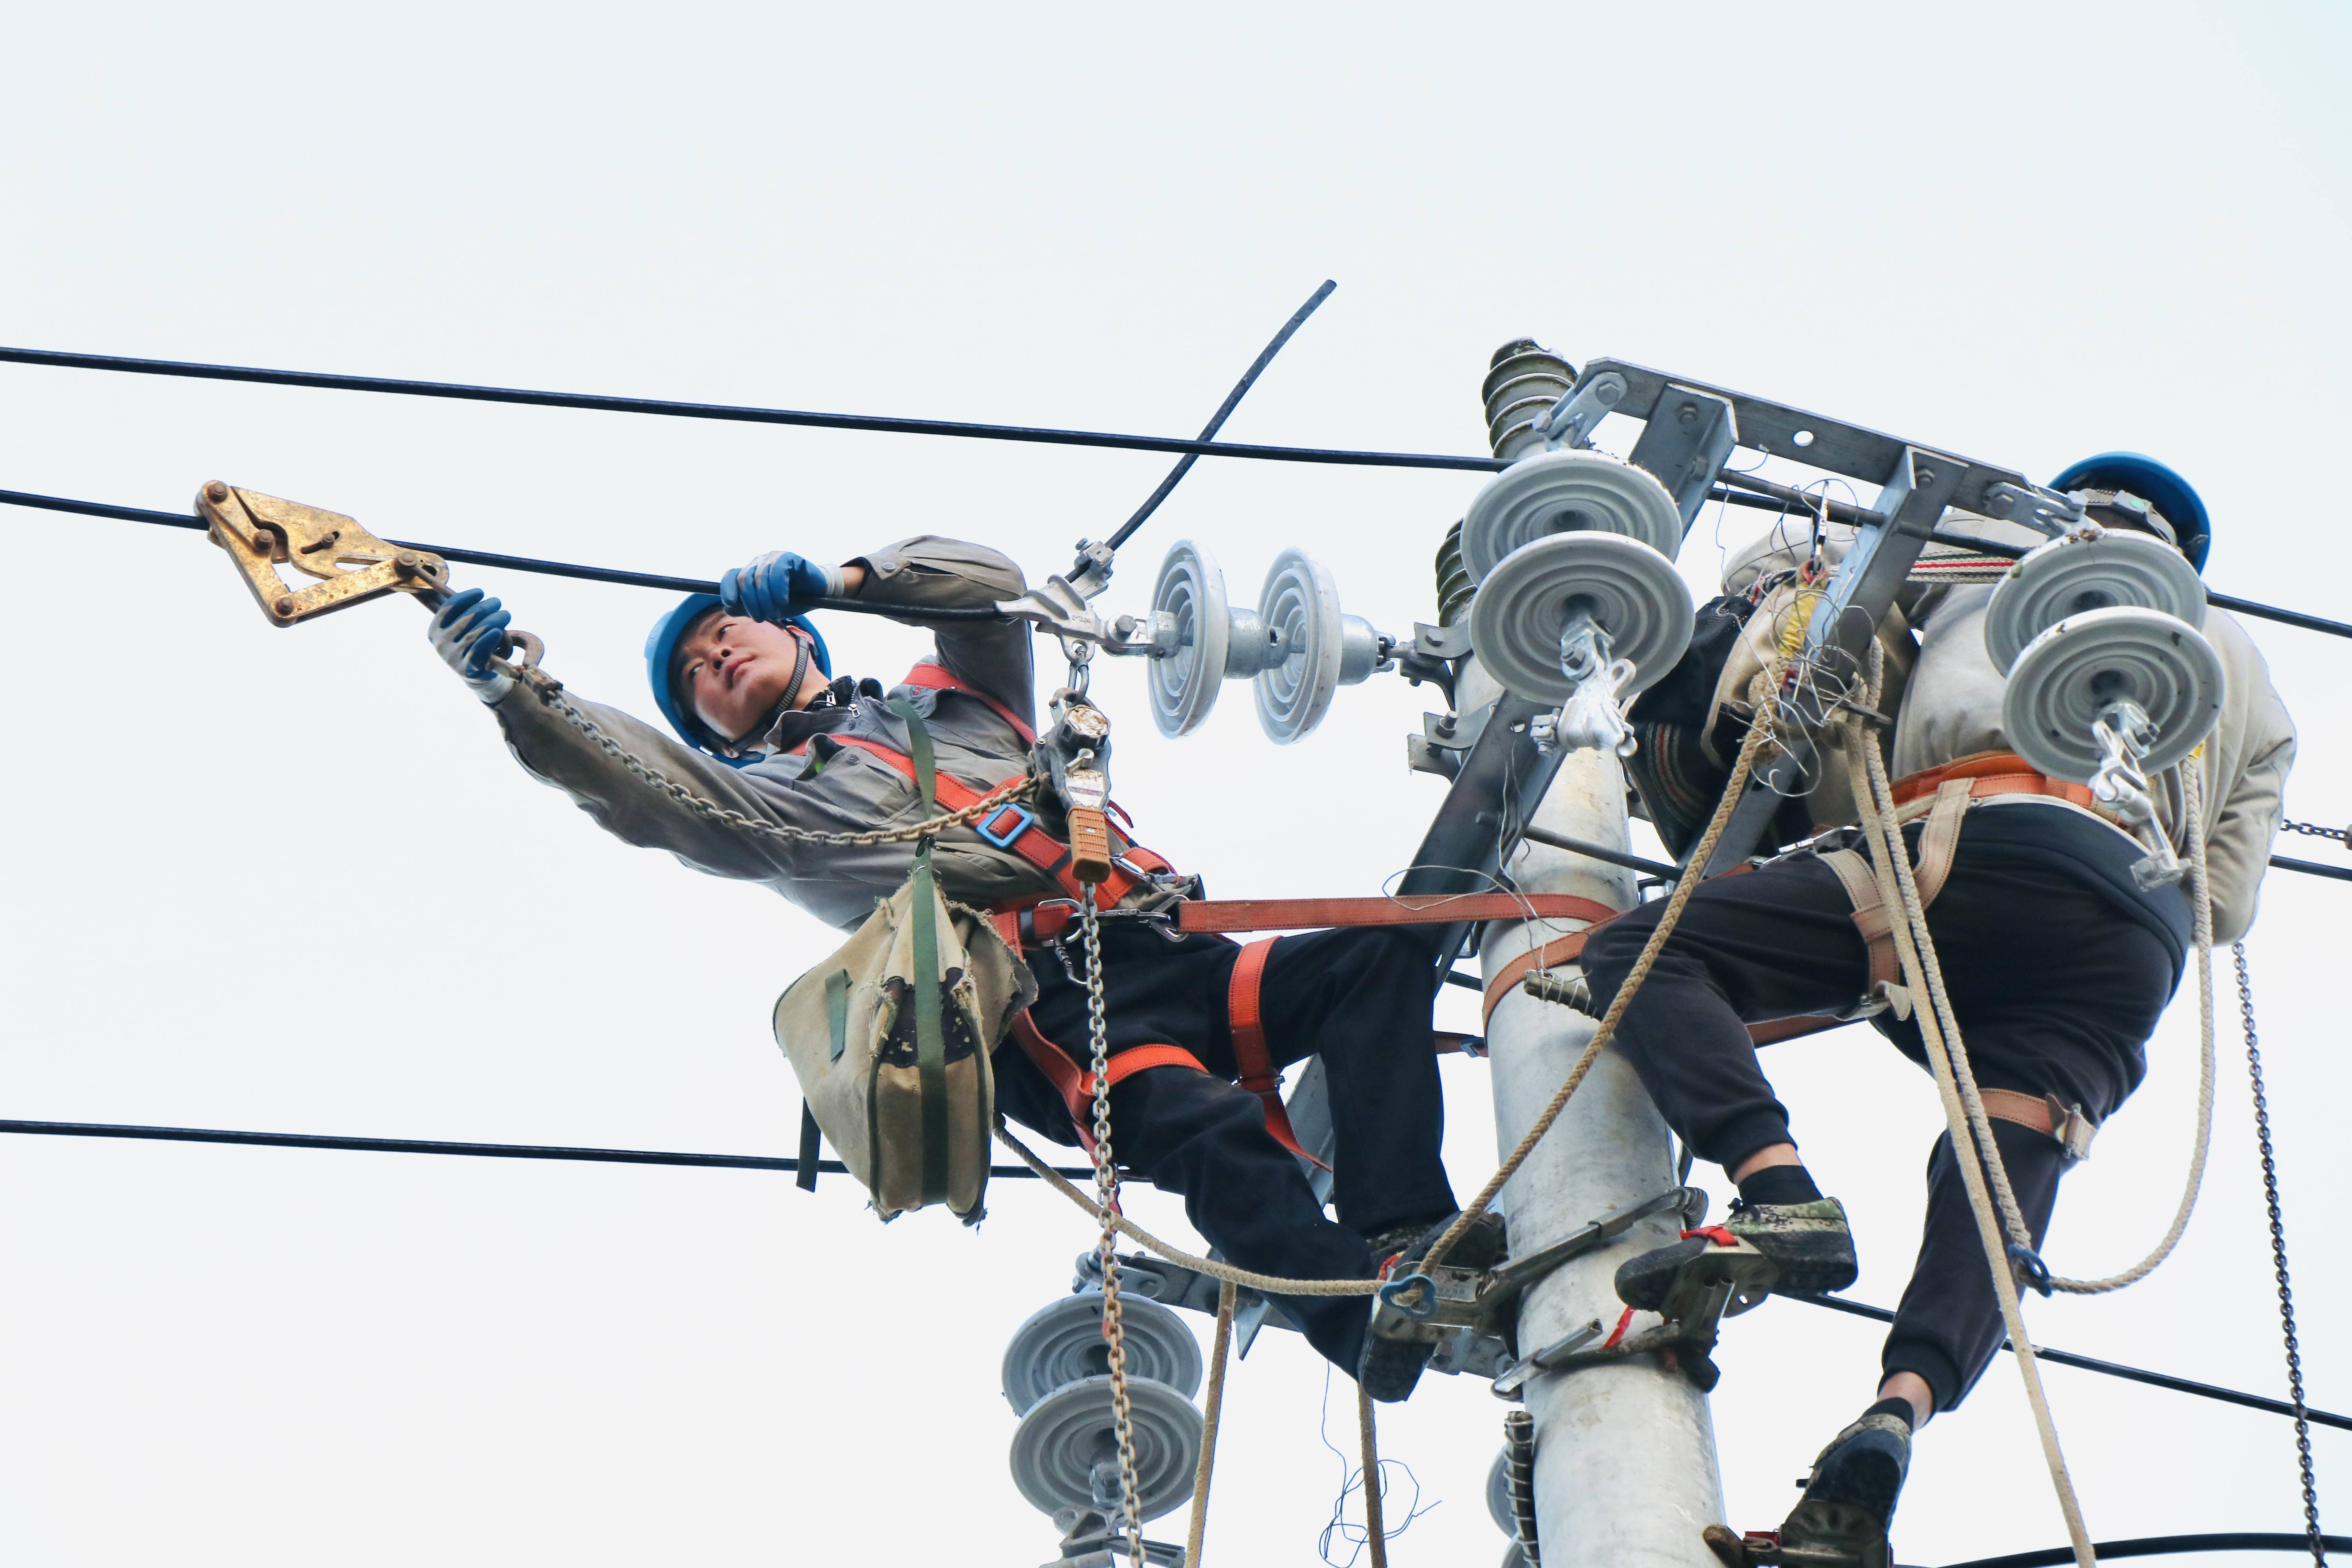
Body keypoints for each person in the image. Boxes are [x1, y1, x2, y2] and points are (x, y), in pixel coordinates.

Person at [423, 534, 1488, 1391]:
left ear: (792, 632)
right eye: (696, 675)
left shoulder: (962, 704)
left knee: (1376, 959)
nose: (714, 656)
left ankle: (1405, 1230)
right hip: (1045, 1008)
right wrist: (519, 696)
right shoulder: (781, 812)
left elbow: (992, 588)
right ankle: (1360, 1313)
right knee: (1205, 1134)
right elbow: (645, 790)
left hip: (1167, 949)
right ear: (717, 735)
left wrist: (842, 578)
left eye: (724, 629)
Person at [1583, 455, 2294, 1561]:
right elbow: (2229, 902)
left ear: (2079, 506)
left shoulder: (2001, 546)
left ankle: (1780, 1195)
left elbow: (1809, 615)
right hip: (2131, 948)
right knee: (2001, 1169)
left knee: (1643, 954)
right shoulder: (2248, 679)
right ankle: (1892, 1416)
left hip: (1974, 841)